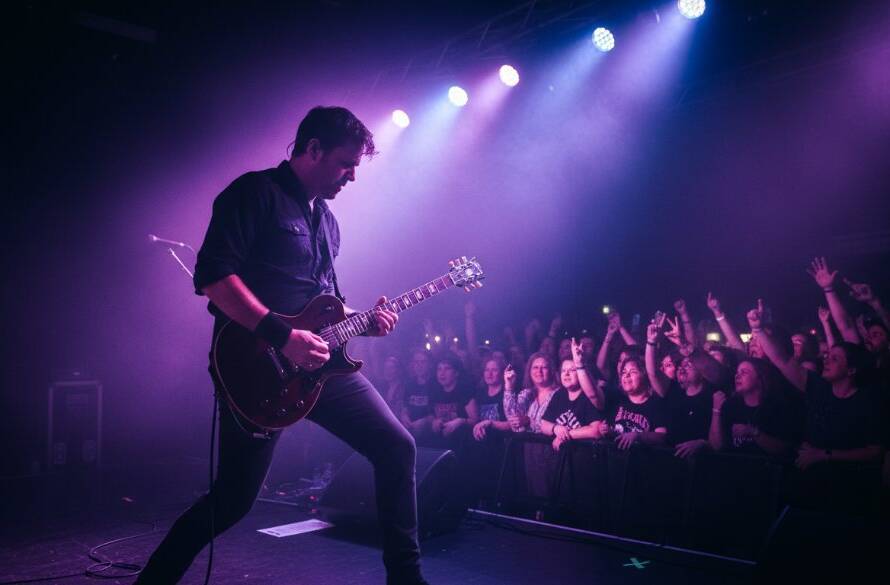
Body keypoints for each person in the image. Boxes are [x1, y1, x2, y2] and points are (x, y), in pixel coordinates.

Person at [136, 107, 428, 585]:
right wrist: (282, 337)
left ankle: (407, 580)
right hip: (255, 369)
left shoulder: (328, 222)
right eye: (345, 163)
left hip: (320, 368)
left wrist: (364, 323)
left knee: (397, 447)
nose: (353, 176)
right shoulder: (252, 194)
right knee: (232, 501)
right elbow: (212, 277)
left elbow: (321, 303)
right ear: (311, 149)